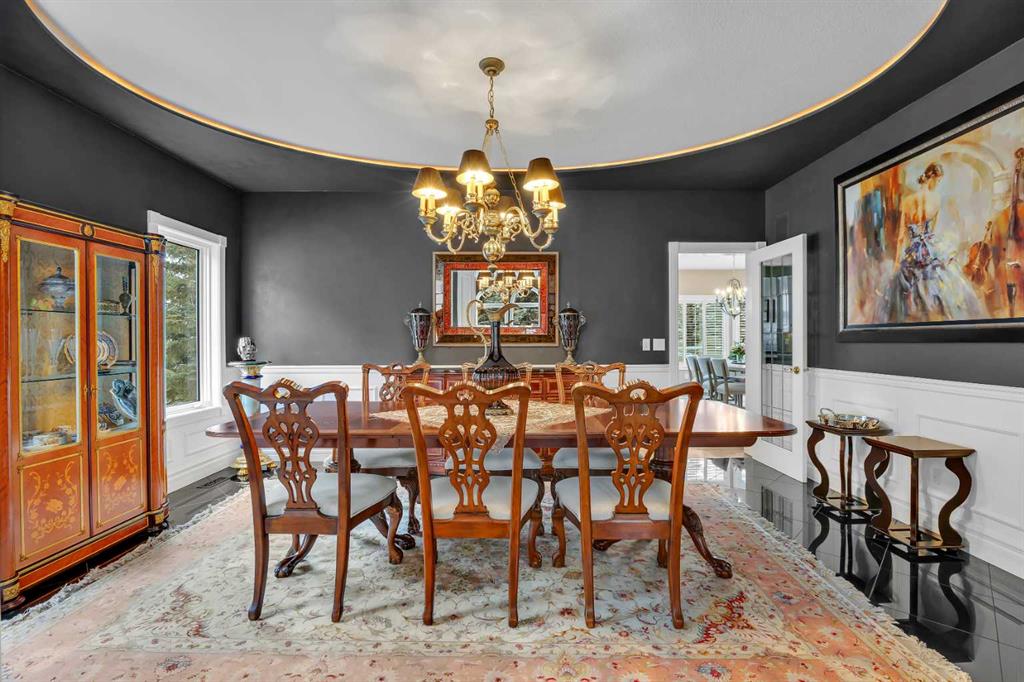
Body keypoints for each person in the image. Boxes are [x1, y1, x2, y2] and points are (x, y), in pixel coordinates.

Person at [878, 162, 984, 323]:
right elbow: (932, 231)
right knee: (943, 281)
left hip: (914, 250)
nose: (938, 184)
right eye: (938, 181)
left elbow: (901, 236)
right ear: (933, 177)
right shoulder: (936, 199)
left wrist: (897, 263)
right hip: (930, 248)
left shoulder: (907, 201)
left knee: (906, 286)